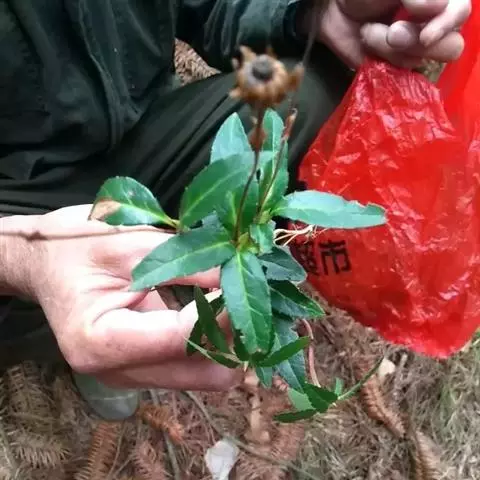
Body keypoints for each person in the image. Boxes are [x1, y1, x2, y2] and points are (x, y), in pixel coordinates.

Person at [0, 0, 471, 420]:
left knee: (311, 87)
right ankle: (77, 332)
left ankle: (119, 321)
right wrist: (22, 259)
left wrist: (310, 14)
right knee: (32, 290)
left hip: (139, 130)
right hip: (16, 200)